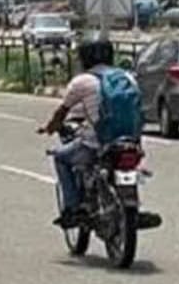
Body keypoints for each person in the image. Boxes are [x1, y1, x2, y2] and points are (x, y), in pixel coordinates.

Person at [37, 34, 123, 227]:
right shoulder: (126, 77)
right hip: (130, 141)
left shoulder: (82, 81)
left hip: (97, 143)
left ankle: (73, 209)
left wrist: (49, 128)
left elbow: (62, 112)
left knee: (60, 158)